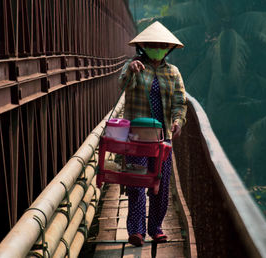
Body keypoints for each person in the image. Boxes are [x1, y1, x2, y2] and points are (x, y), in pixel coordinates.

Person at [118, 21, 187, 246]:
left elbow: (180, 101)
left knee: (161, 183)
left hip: (162, 138)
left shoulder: (173, 72)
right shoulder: (133, 65)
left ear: (168, 48)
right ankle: (136, 230)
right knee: (137, 182)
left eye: (162, 45)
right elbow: (122, 85)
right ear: (144, 46)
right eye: (153, 44)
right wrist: (130, 70)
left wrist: (178, 121)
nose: (157, 48)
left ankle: (155, 227)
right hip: (136, 136)